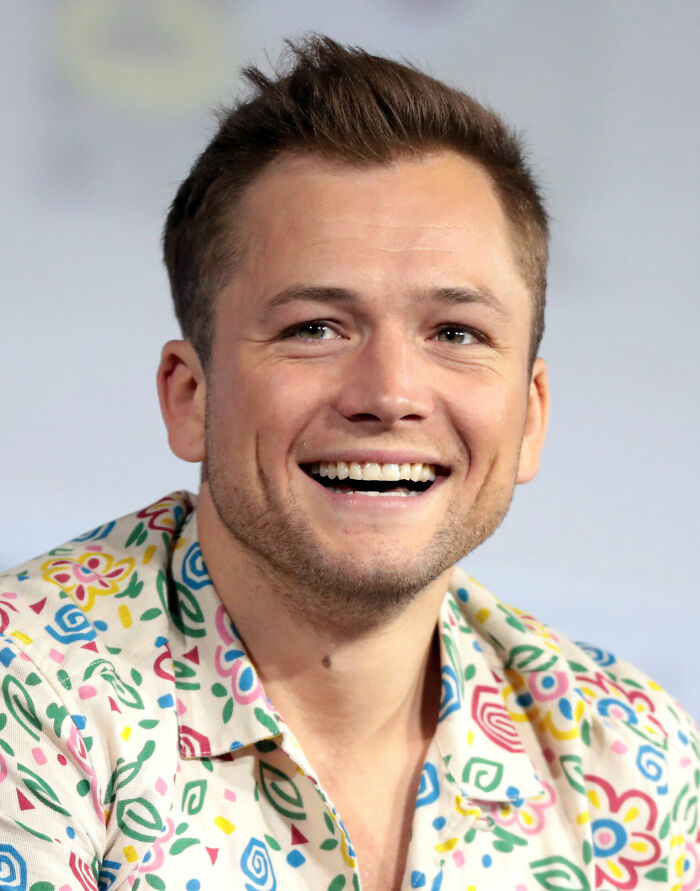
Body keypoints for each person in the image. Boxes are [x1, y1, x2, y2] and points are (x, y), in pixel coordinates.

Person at [0, 35, 697, 891]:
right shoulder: (26, 690)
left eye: (456, 334)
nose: (390, 394)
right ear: (189, 395)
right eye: (315, 329)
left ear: (530, 417)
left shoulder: (630, 755)